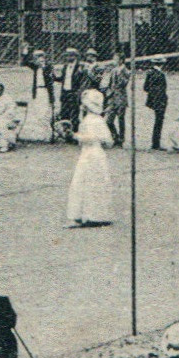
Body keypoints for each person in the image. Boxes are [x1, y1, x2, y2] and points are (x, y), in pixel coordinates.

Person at [65, 89, 114, 228]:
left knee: (87, 182)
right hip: (90, 154)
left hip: (92, 155)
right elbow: (107, 141)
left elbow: (100, 139)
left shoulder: (94, 121)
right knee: (86, 182)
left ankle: (92, 215)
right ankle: (88, 215)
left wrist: (76, 136)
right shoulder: (90, 120)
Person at [102, 53, 130, 147]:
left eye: (116, 59)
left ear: (121, 60)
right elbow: (110, 84)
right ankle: (115, 137)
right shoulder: (113, 70)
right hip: (112, 98)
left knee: (121, 119)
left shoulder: (125, 71)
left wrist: (120, 74)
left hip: (121, 98)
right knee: (109, 120)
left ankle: (121, 140)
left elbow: (123, 83)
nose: (114, 61)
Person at [144, 61, 169, 151]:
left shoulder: (149, 73)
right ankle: (156, 143)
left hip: (153, 100)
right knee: (159, 121)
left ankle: (155, 142)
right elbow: (164, 87)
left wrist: (152, 94)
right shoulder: (161, 74)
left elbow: (145, 87)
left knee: (158, 120)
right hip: (160, 100)